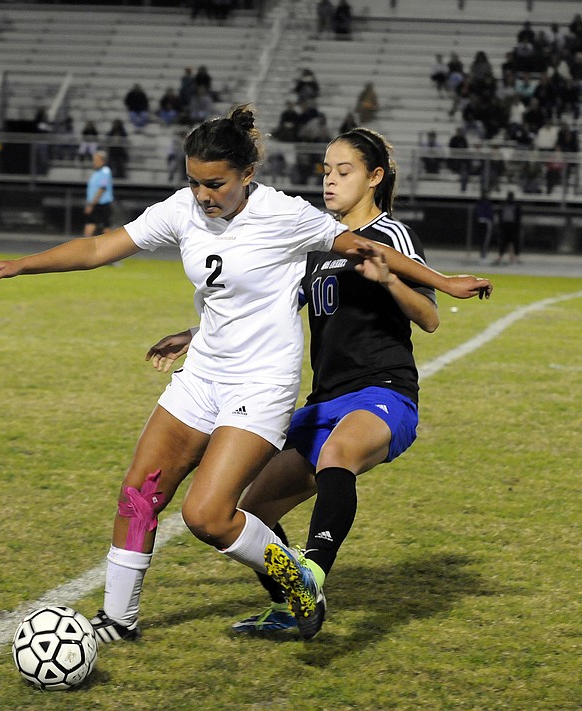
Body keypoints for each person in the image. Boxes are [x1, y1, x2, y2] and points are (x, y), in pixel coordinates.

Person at [0, 105, 491, 647]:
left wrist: (443, 283)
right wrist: (20, 264)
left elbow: (364, 245)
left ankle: (300, 581)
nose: (202, 195)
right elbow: (101, 247)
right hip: (203, 374)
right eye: (193, 182)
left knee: (209, 515)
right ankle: (117, 620)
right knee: (139, 494)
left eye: (214, 183)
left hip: (260, 384)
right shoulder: (182, 210)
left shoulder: (285, 215)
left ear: (246, 176)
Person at [146, 127, 444, 639]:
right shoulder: (315, 242)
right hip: (324, 399)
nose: (330, 182)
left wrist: (390, 280)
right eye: (326, 171)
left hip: (383, 392)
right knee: (250, 507)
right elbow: (266, 308)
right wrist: (195, 334)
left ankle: (313, 574)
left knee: (337, 456)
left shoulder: (389, 236)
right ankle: (294, 605)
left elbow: (430, 318)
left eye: (343, 172)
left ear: (374, 177)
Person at [83, 150, 114, 237]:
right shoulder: (96, 173)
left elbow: (102, 188)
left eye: (96, 159)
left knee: (104, 225)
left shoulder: (105, 171)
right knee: (94, 223)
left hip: (102, 204)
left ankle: (109, 246)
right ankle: (87, 244)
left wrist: (91, 204)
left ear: (102, 161)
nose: (94, 162)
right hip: (96, 203)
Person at [494, 191, 521, 264]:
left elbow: (518, 217)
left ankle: (514, 258)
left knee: (513, 242)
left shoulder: (515, 206)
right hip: (506, 226)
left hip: (512, 226)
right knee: (504, 242)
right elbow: (501, 216)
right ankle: (501, 257)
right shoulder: (505, 205)